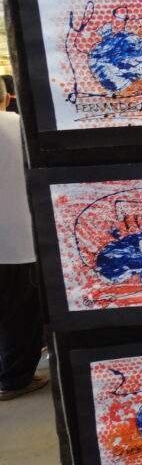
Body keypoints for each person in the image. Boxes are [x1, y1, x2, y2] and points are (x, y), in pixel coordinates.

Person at [0, 75, 46, 400]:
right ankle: (14, 380)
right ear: (6, 98)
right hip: (16, 238)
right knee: (21, 314)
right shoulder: (17, 126)